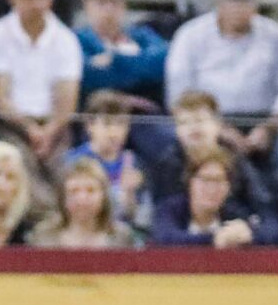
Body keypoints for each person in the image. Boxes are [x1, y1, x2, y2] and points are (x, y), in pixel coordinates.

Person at [164, 0, 278, 159]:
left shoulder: (276, 35)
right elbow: (179, 94)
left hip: (265, 120)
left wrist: (269, 128)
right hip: (208, 120)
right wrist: (218, 128)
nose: (239, 6)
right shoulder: (190, 35)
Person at [0, 0, 83, 161]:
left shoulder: (66, 39)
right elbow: (1, 97)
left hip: (55, 128)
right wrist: (29, 129)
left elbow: (67, 101)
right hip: (10, 126)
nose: (38, 4)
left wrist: (48, 132)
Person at [75, 0, 169, 104]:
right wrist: (137, 59)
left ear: (125, 3)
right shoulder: (75, 40)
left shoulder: (143, 36)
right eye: (101, 1)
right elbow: (89, 76)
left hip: (144, 112)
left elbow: (162, 63)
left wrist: (114, 59)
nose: (108, 8)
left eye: (115, 1)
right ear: (86, 3)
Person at [70, 90, 152, 225]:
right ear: (90, 125)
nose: (114, 133)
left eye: (121, 124)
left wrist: (130, 194)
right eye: (107, 124)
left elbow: (140, 219)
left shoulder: (134, 163)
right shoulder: (73, 162)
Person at [152, 147, 261, 247]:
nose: (211, 189)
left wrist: (248, 235)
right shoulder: (169, 209)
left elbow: (267, 231)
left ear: (228, 187)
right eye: (205, 179)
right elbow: (165, 238)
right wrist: (214, 239)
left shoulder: (234, 213)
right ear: (190, 182)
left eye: (218, 181)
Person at [34, 153, 142, 247]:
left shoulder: (121, 238)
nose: (82, 198)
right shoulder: (44, 237)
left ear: (104, 196)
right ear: (63, 197)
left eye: (90, 190)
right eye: (74, 191)